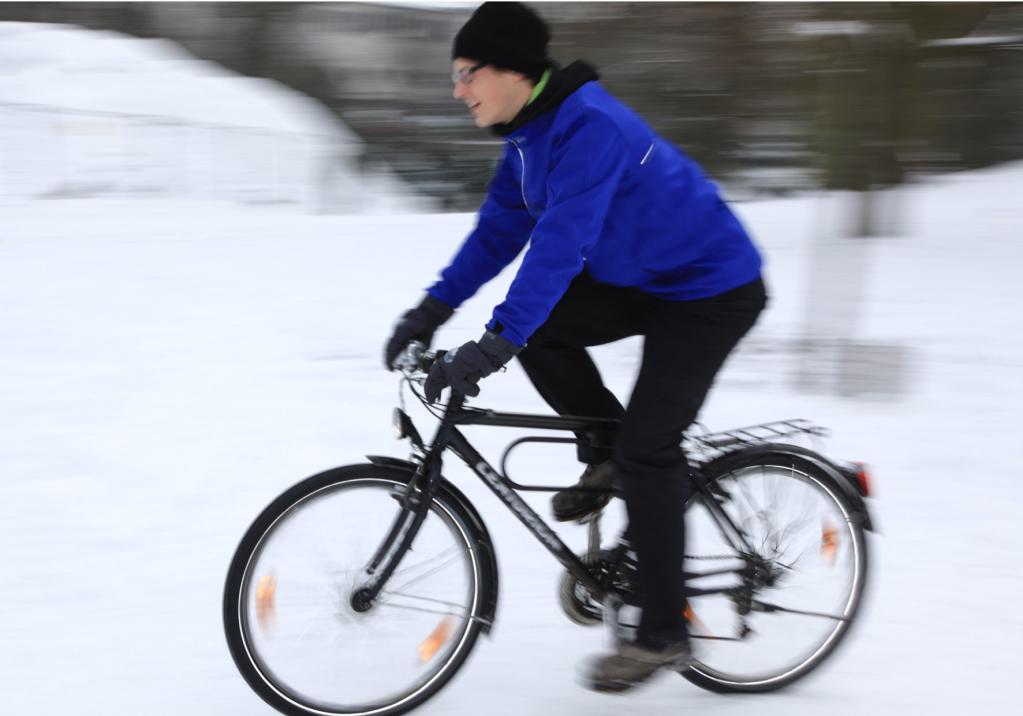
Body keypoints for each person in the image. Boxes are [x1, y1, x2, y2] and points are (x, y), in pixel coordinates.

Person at [383, 1, 767, 693]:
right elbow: (497, 234)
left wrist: (493, 345)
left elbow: (560, 247)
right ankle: (606, 450)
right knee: (547, 336)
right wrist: (430, 310)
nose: (458, 90)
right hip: (643, 280)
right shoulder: (526, 136)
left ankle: (662, 633)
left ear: (511, 70)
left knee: (649, 448)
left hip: (709, 290)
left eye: (467, 73)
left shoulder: (590, 127)